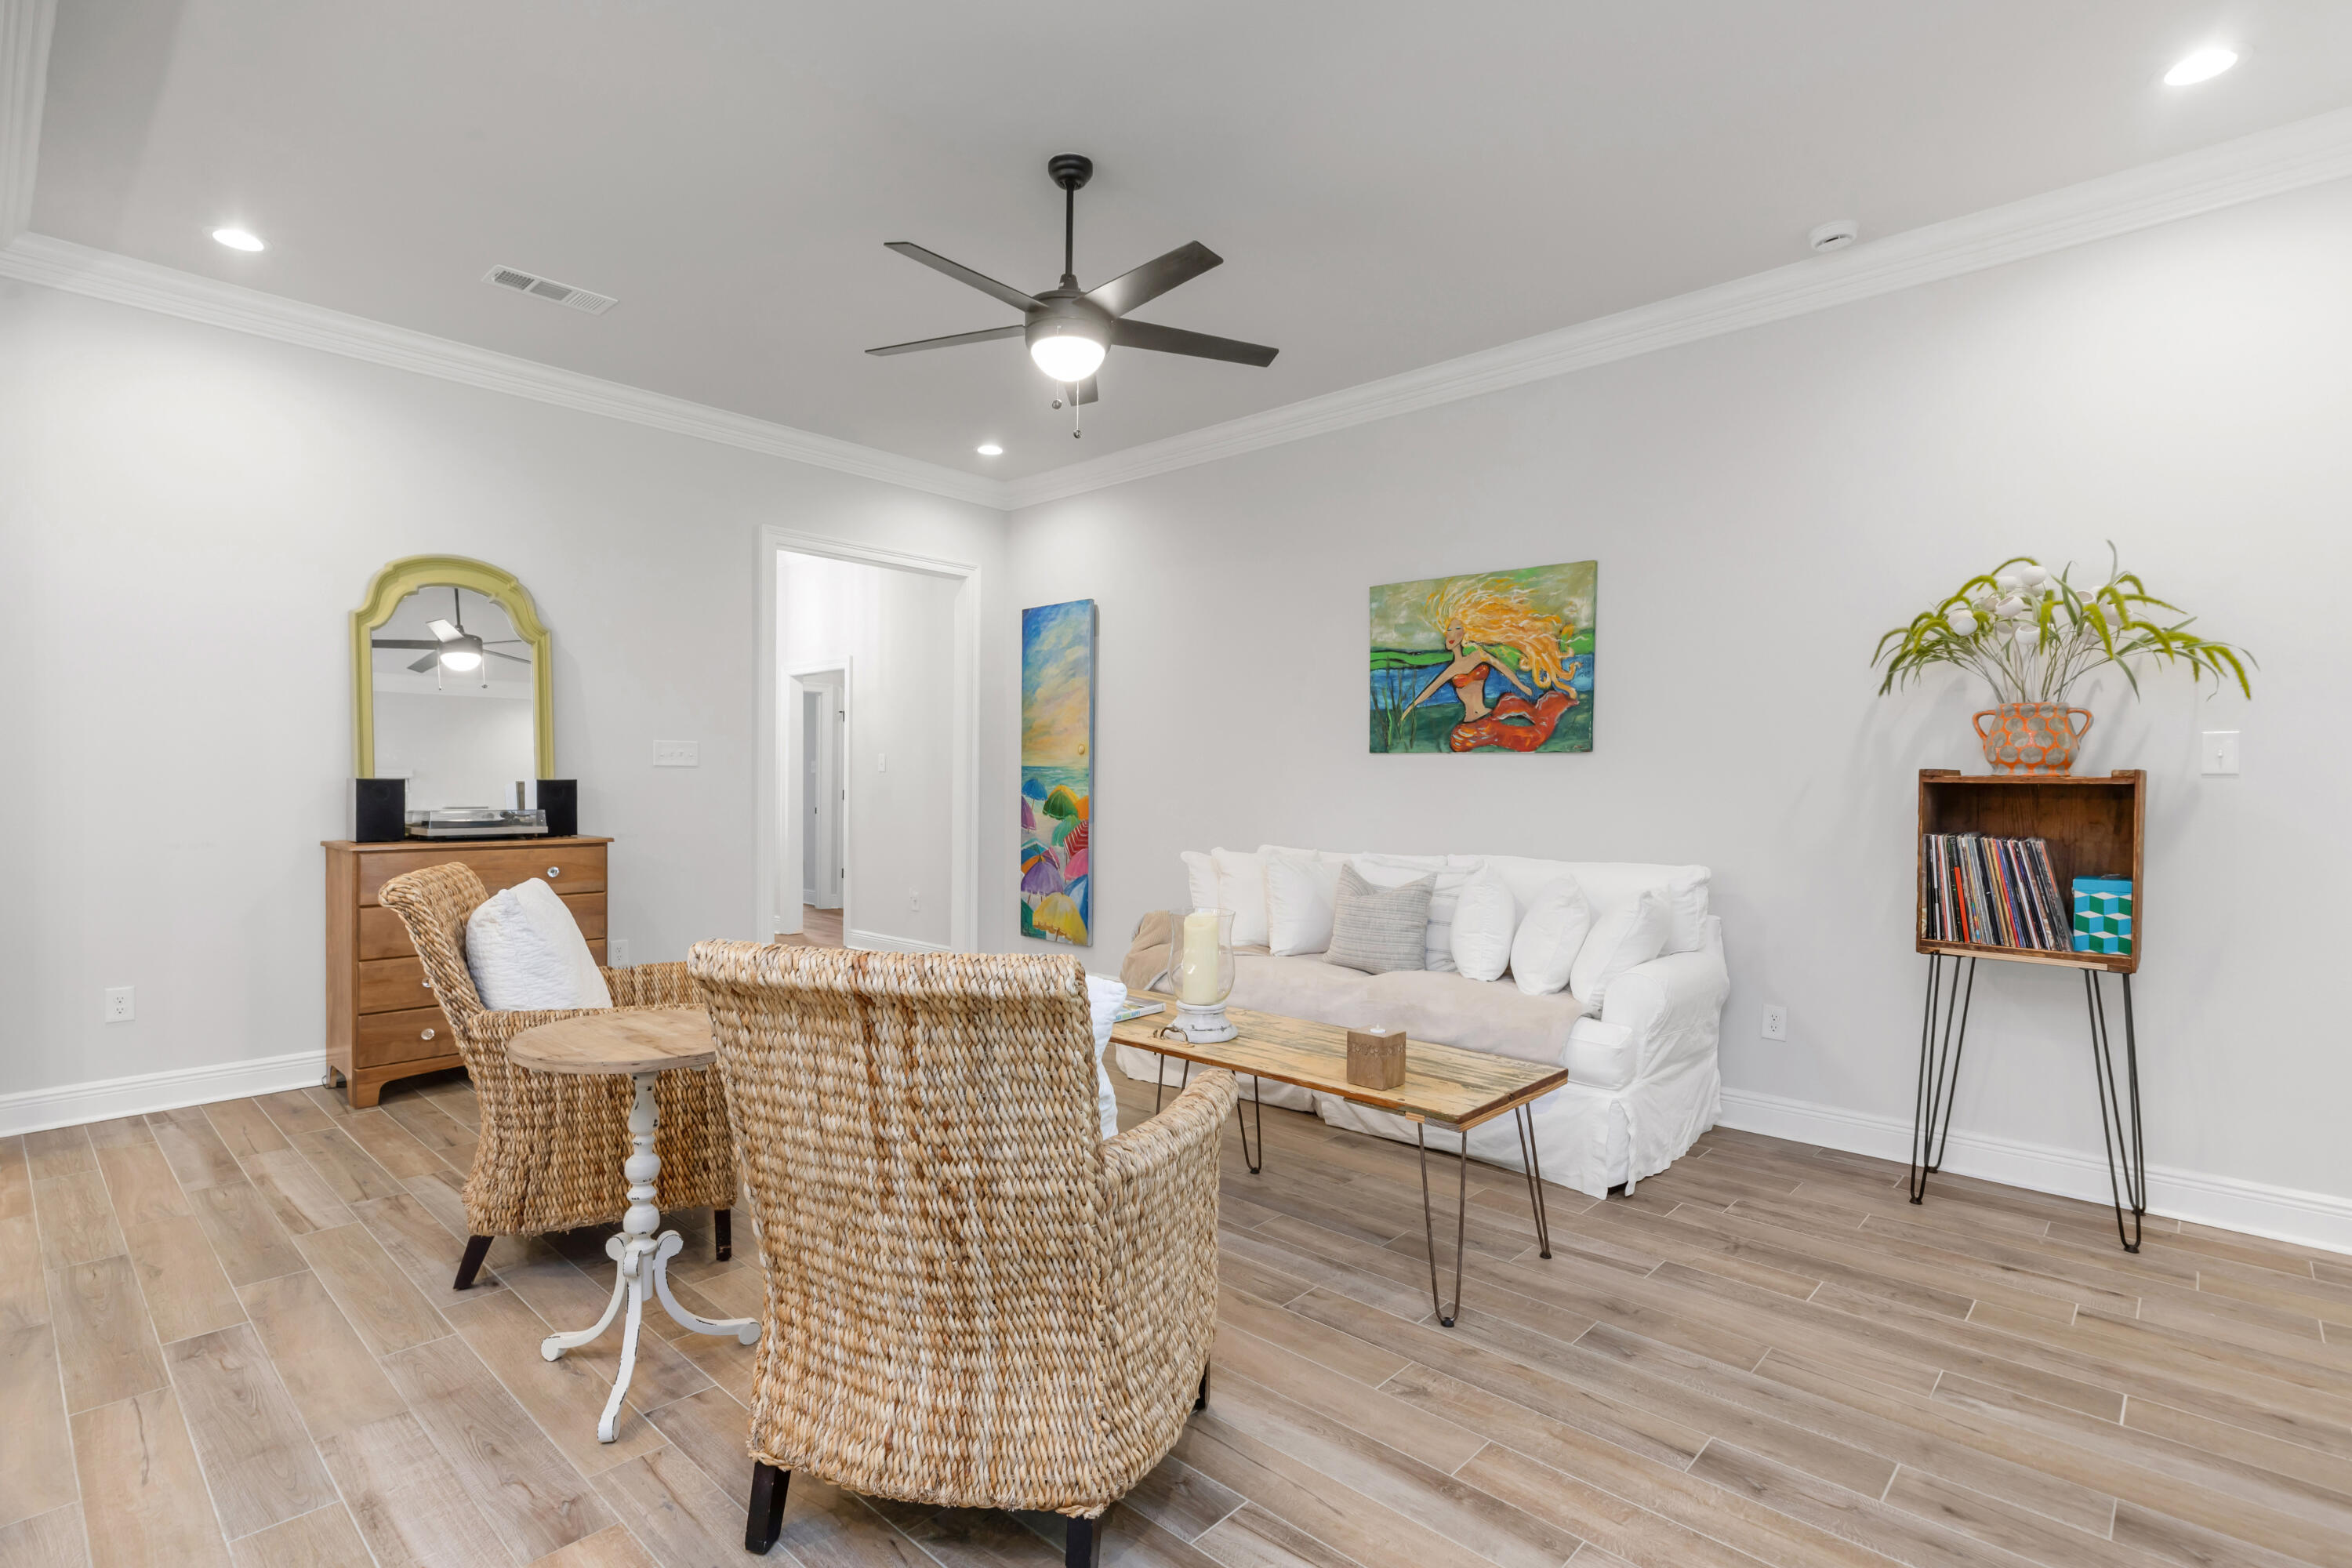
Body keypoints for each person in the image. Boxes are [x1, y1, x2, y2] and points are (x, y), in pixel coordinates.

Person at [1402, 575, 1580, 750]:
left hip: (1489, 716)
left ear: (1465, 634)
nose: (1452, 634)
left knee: (1520, 716)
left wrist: (1521, 685)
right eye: (1449, 629)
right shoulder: (1452, 670)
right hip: (1470, 724)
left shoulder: (1478, 656)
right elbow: (1430, 690)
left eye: (1458, 629)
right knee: (1524, 735)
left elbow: (1503, 667)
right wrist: (1410, 707)